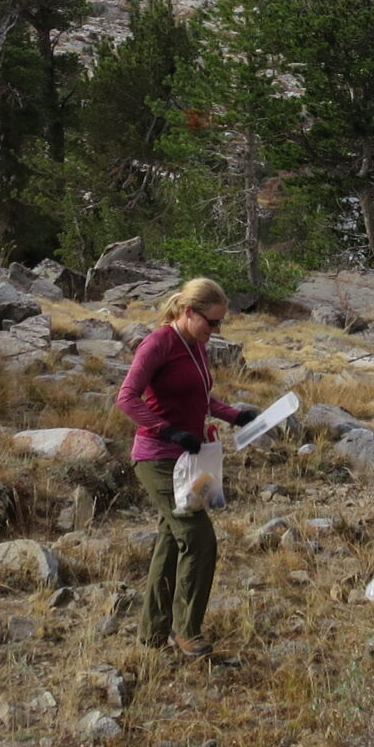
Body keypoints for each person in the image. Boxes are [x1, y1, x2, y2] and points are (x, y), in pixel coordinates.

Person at [118, 278, 254, 658]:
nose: (215, 331)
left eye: (219, 324)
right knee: (197, 538)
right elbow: (126, 397)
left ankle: (152, 633)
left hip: (189, 458)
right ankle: (186, 631)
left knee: (171, 542)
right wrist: (171, 432)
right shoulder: (158, 343)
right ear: (188, 312)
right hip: (158, 458)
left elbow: (200, 396)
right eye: (211, 322)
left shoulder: (197, 346)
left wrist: (236, 415)